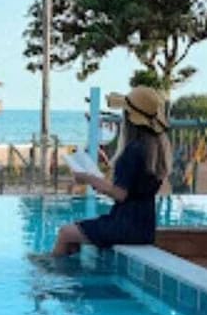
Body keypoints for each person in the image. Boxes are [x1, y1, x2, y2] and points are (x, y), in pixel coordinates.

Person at [51, 86, 172, 257]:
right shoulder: (155, 150)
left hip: (125, 226)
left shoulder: (134, 150)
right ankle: (62, 267)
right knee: (74, 234)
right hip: (144, 226)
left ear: (129, 118)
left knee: (65, 233)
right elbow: (133, 191)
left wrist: (88, 178)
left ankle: (54, 271)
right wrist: (97, 181)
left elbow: (120, 194)